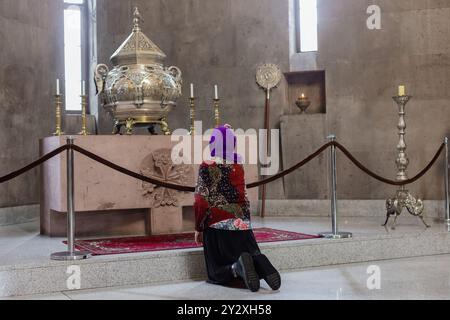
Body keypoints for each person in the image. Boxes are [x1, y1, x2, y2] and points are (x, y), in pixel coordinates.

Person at [194, 124, 281, 292]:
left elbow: (201, 201)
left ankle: (235, 268)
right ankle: (260, 262)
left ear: (213, 143)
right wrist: (245, 222)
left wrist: (199, 228)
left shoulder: (206, 165)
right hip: (241, 223)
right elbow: (244, 196)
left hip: (217, 225)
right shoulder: (238, 164)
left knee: (215, 272)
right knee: (247, 253)